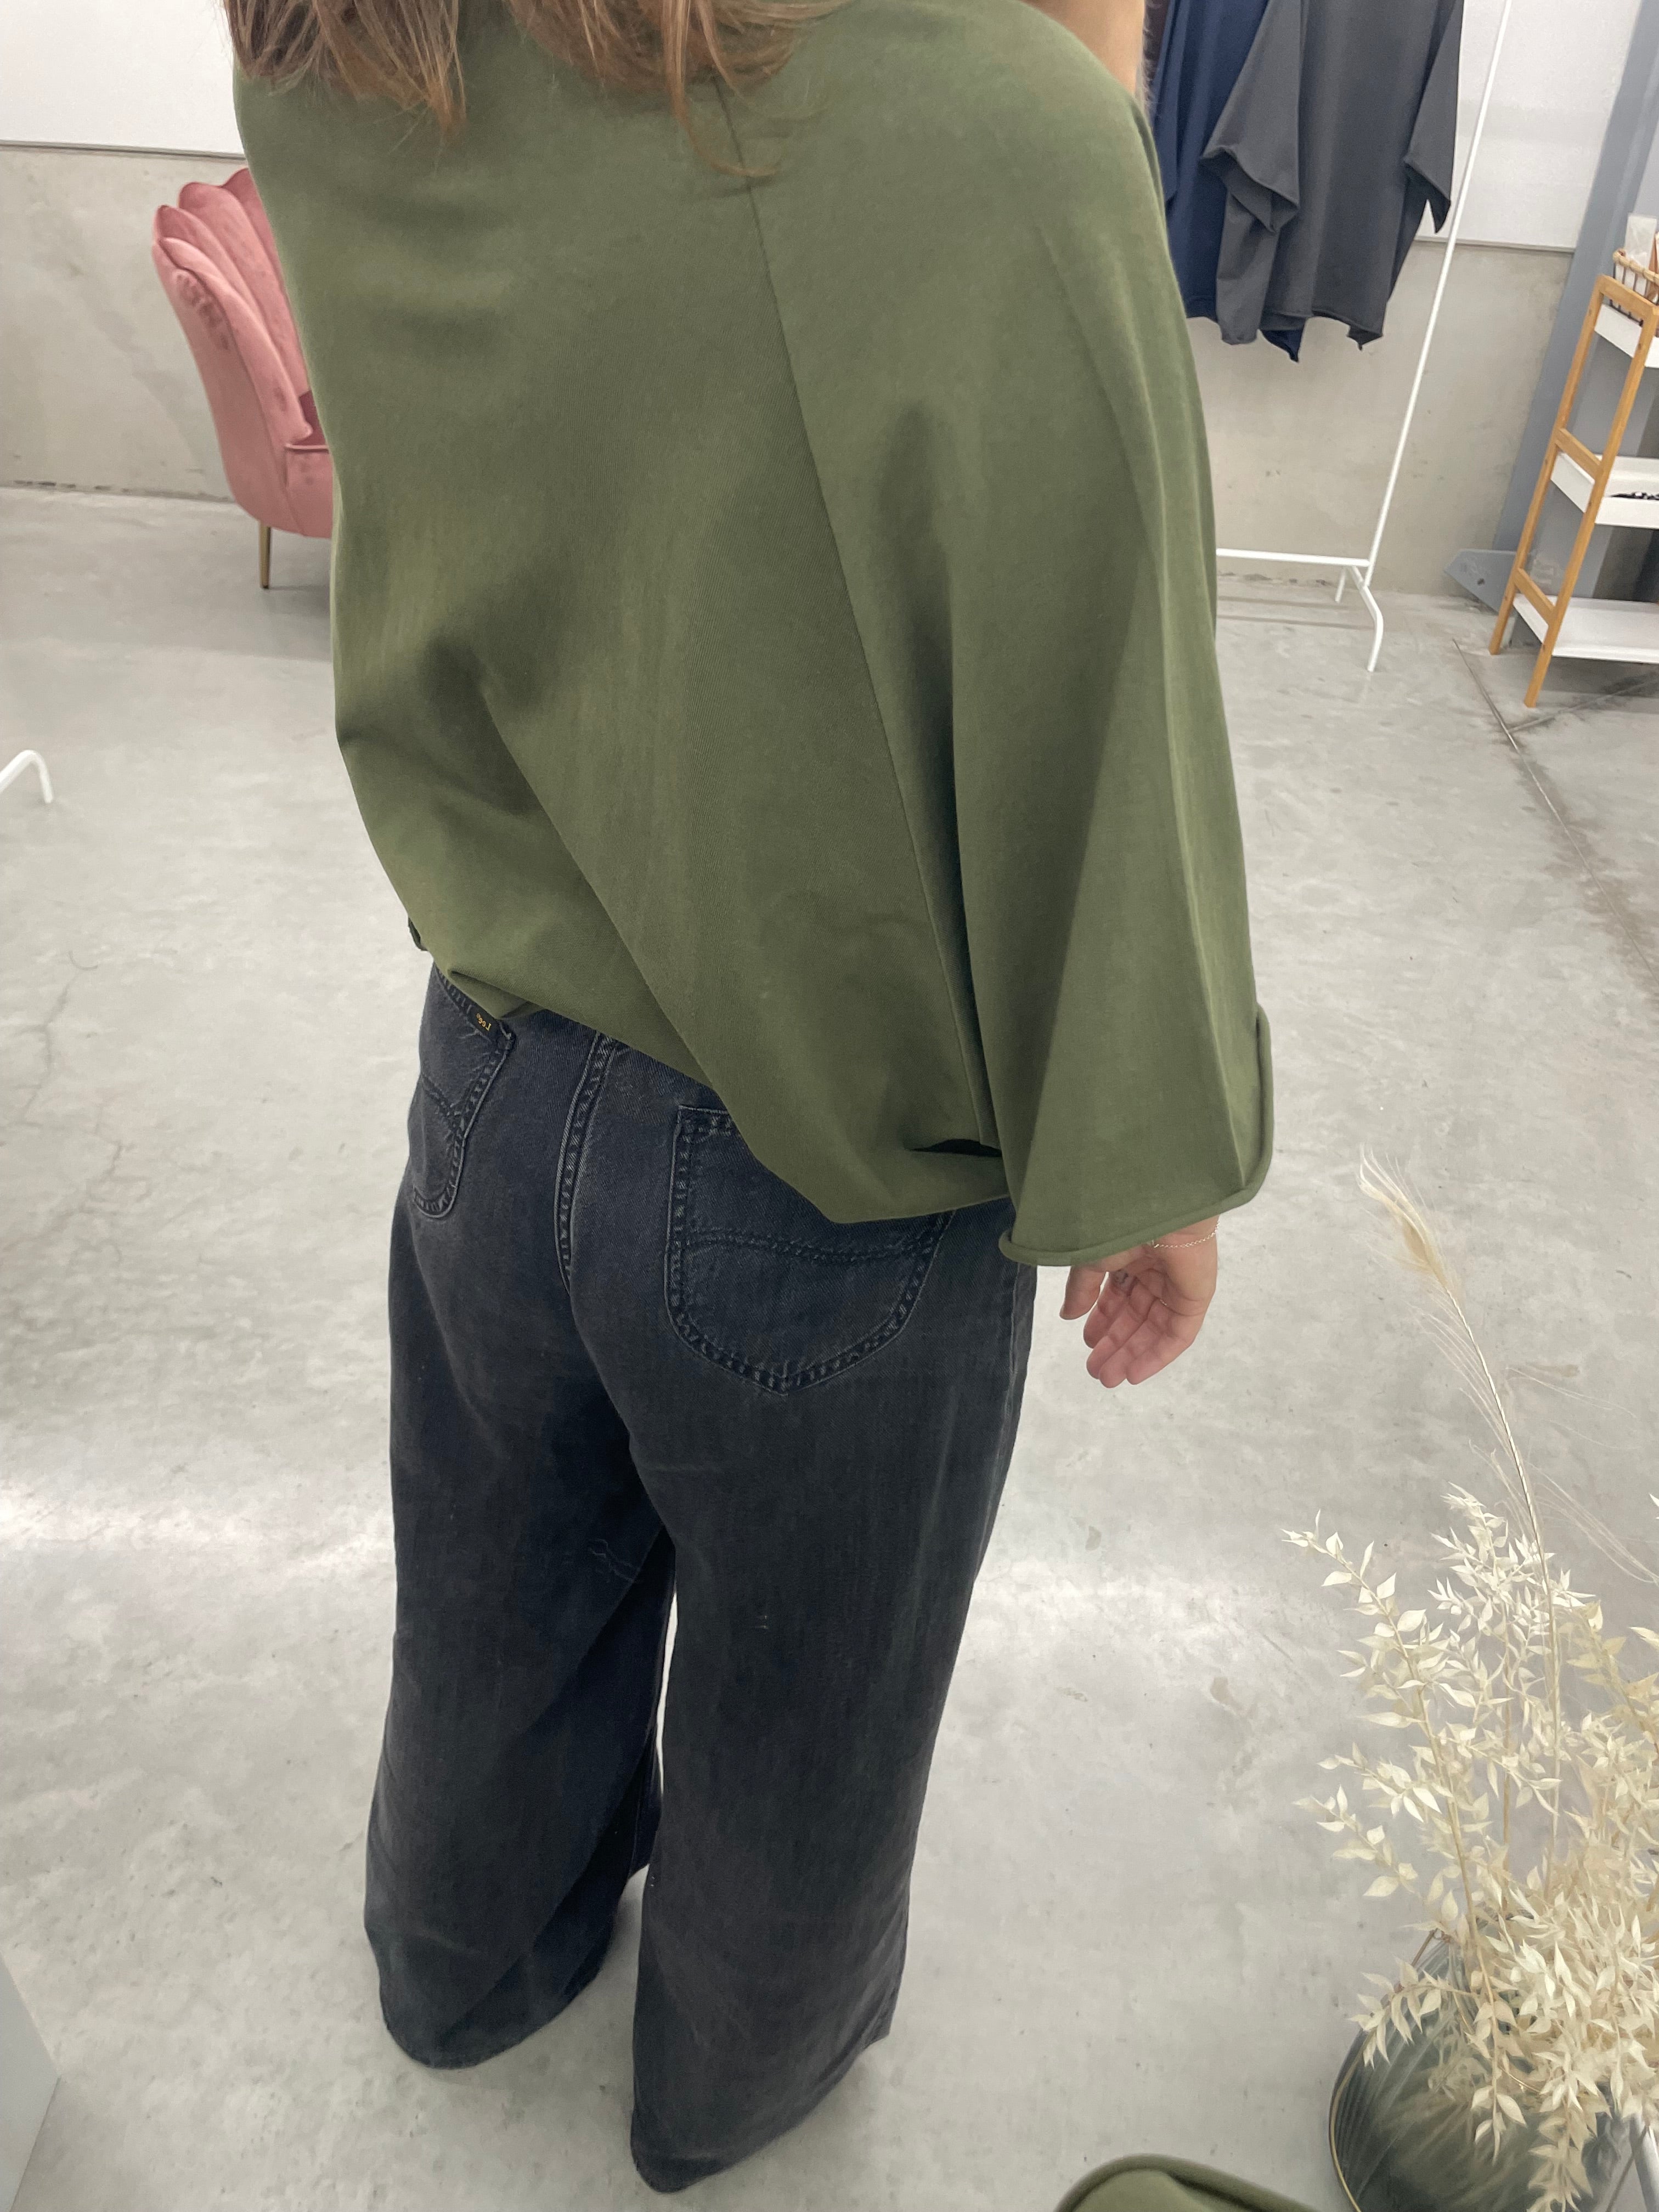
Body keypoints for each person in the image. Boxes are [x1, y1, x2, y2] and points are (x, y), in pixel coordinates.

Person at [231, 0, 1271, 2187]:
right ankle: (731, 2091)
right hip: (825, 1152)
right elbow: (1087, 687)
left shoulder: (341, 42)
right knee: (812, 1724)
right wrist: (1146, 1158)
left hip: (491, 1056)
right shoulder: (997, 124)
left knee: (496, 1608)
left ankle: (461, 1968)